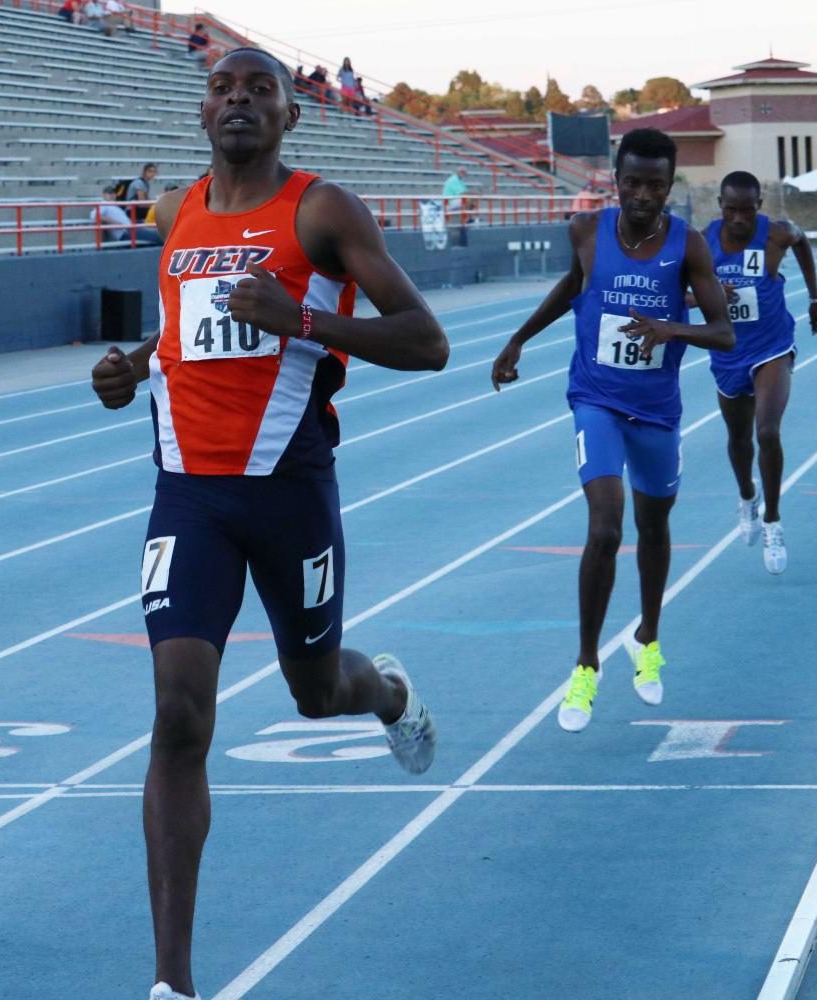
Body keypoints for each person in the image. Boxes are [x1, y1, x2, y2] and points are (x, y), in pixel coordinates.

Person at [89, 46, 448, 1000]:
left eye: (260, 90)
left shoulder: (322, 211)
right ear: (201, 114)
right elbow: (177, 340)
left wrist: (303, 320)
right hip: (189, 497)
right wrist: (129, 369)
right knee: (176, 711)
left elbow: (428, 342)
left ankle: (389, 696)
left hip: (289, 494)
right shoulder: (174, 214)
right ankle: (172, 982)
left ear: (292, 117)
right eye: (223, 88)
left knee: (316, 690)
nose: (239, 99)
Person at [490, 127, 733, 733]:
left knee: (654, 525)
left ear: (669, 185)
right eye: (633, 182)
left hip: (657, 410)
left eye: (656, 184)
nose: (643, 194)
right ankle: (585, 666)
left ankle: (647, 638)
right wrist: (519, 338)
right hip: (595, 400)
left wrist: (670, 329)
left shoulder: (689, 245)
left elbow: (724, 332)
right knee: (605, 524)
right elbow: (573, 286)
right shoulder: (586, 231)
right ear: (616, 181)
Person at [698, 171, 817, 574]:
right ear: (721, 205)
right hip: (728, 351)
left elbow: (803, 243)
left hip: (772, 346)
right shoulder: (702, 242)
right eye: (731, 208)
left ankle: (772, 519)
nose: (739, 217)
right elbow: (678, 294)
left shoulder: (776, 234)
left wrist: (814, 298)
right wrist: (711, 295)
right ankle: (747, 495)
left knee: (767, 431)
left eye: (747, 209)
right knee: (739, 439)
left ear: (759, 204)